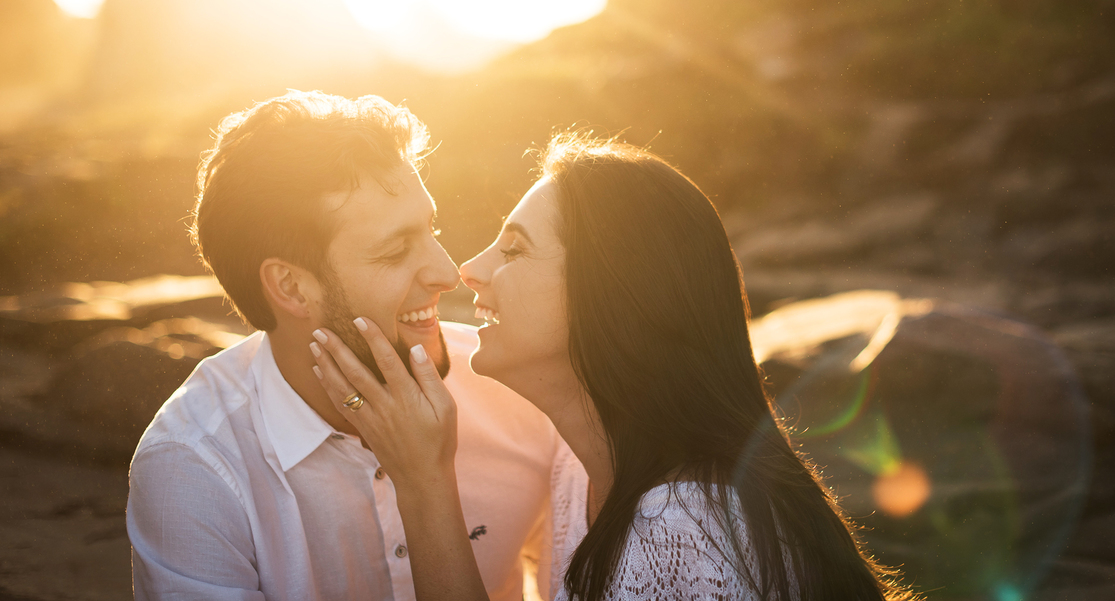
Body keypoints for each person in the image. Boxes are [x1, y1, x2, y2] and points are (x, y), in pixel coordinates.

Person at [311, 134, 916, 601]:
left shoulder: (682, 531)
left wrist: (423, 483)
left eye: (515, 249)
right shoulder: (586, 477)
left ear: (612, 293)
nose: (469, 268)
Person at [126, 91, 561, 600]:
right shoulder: (193, 467)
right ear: (291, 288)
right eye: (396, 249)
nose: (449, 273)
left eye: (431, 229)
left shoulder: (522, 389)